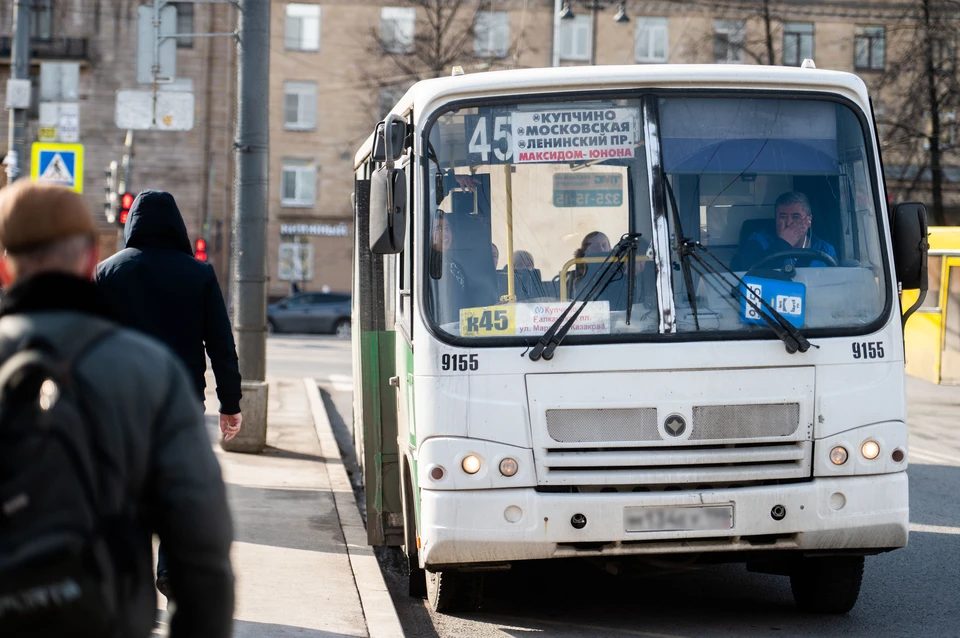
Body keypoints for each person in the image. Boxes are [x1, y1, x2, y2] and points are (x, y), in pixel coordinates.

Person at [0, 182, 234, 637]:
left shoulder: (112, 275)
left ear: (4, 269)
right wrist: (231, 400)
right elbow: (199, 534)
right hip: (106, 613)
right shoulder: (153, 372)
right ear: (88, 257)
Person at [95, 190, 242, 604]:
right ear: (177, 225)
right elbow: (220, 344)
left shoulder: (107, 273)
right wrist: (229, 404)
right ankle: (171, 571)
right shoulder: (198, 274)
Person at [737, 191, 838, 269]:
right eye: (783, 216)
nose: (789, 222)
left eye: (796, 216)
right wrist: (783, 244)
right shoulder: (758, 242)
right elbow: (749, 274)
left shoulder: (825, 250)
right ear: (776, 219)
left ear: (809, 220)